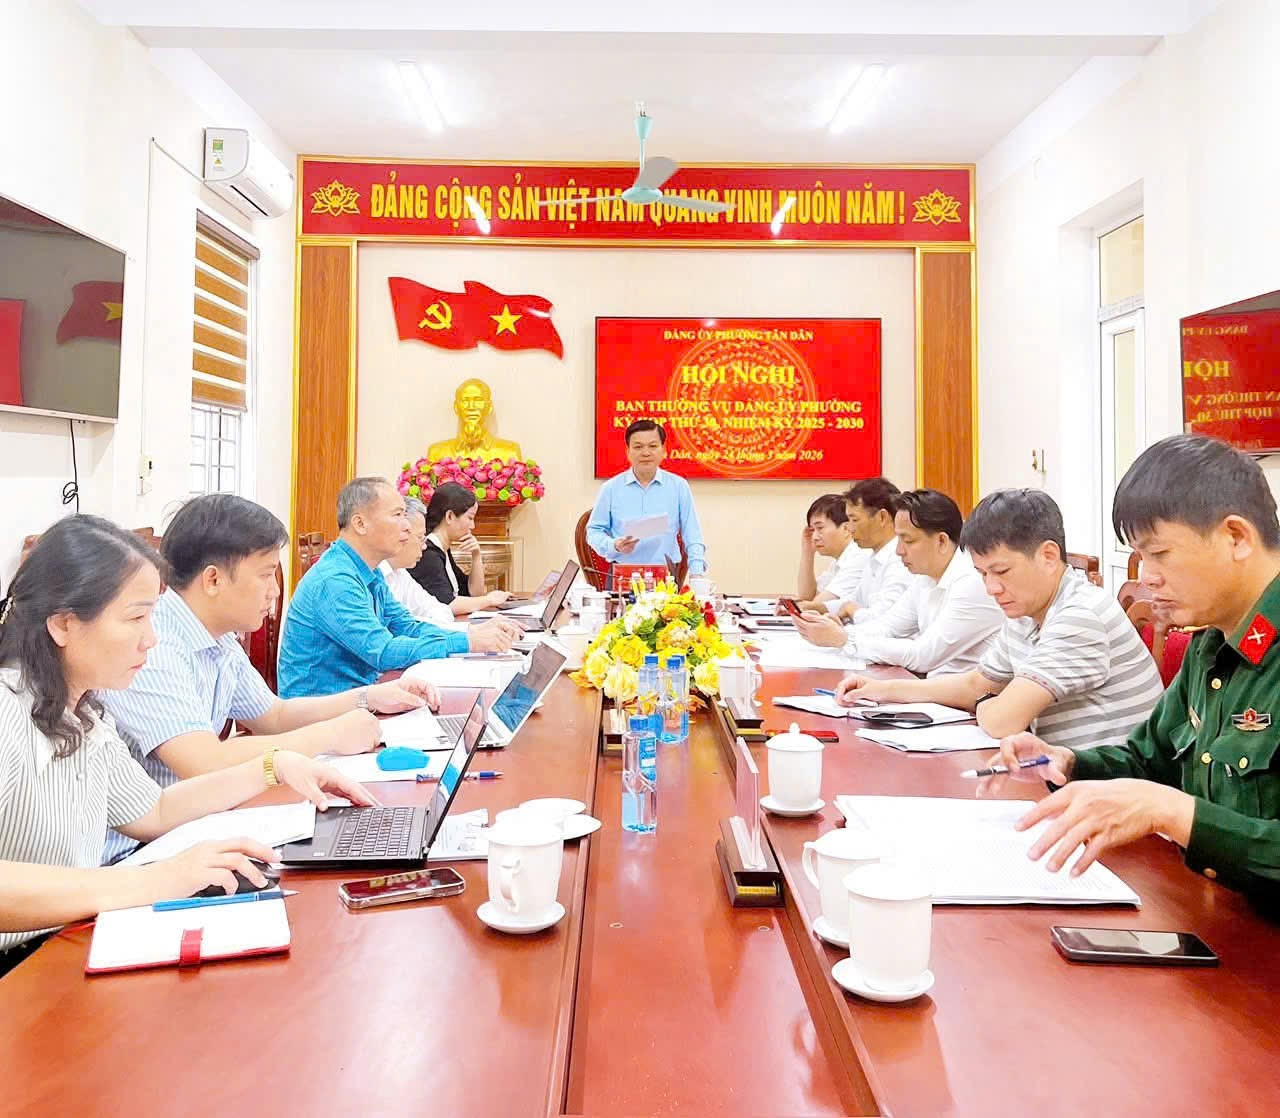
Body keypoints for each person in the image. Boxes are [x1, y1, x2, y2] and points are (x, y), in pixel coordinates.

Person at [0, 515, 374, 978]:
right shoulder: (8, 711)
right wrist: (148, 881)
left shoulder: (84, 714)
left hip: (61, 944)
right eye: (135, 618)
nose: (151, 639)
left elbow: (155, 810)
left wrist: (274, 766)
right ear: (63, 625)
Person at [985, 435, 1280, 901]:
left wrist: (1172, 812)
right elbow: (1149, 760)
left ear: (1236, 538)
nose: (1147, 577)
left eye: (1160, 554)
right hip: (1205, 907)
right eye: (1140, 557)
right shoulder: (1211, 644)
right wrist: (1067, 762)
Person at [99, 494, 441, 862]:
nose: (276, 591)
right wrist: (330, 735)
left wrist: (368, 697)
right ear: (213, 579)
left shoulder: (216, 636)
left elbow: (273, 716)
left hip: (194, 823)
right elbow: (205, 762)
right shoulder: (156, 645)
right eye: (265, 575)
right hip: (142, 849)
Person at [835, 488, 1163, 748]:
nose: (991, 588)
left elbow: (1002, 721)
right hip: (1058, 775)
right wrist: (882, 690)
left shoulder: (1079, 615)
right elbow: (976, 684)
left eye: (1001, 571)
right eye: (982, 574)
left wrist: (989, 702)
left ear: (1049, 556)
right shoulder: (1026, 611)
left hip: (1105, 788)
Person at [278, 477, 520, 699]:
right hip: (324, 713)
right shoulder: (336, 580)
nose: (406, 526)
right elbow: (383, 652)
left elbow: (407, 626)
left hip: (360, 698)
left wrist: (469, 636)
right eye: (397, 515)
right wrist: (468, 642)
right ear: (360, 524)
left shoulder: (369, 571)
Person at [794, 488, 1003, 675]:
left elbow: (923, 656)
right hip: (933, 685)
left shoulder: (972, 581)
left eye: (908, 540)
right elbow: (889, 626)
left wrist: (844, 639)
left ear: (941, 540)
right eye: (898, 539)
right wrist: (839, 633)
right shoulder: (925, 576)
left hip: (964, 697)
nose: (899, 550)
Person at [587, 419, 708, 578]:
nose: (646, 453)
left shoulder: (678, 486)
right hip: (622, 575)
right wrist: (613, 545)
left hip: (666, 576)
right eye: (638, 447)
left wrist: (697, 574)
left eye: (652, 446)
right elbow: (593, 532)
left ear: (663, 450)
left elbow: (692, 534)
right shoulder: (610, 488)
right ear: (628, 451)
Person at [409, 482, 511, 616]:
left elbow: (474, 594)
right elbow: (448, 604)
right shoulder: (428, 554)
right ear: (449, 516)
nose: (472, 526)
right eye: (470, 518)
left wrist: (476, 556)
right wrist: (489, 600)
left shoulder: (443, 550)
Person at [824, 476, 912, 623]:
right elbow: (853, 601)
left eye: (854, 520)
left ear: (882, 517)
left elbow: (884, 619)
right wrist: (812, 608)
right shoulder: (874, 555)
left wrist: (851, 610)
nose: (850, 528)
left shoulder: (901, 559)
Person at [381, 497, 456, 626]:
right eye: (420, 538)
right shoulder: (371, 571)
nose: (424, 546)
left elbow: (441, 611)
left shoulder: (400, 572)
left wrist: (410, 624)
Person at [789, 494, 866, 613]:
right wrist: (807, 552)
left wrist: (795, 606)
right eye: (812, 530)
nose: (814, 537)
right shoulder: (838, 560)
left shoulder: (859, 556)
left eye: (820, 528)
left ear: (846, 529)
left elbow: (816, 606)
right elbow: (807, 596)